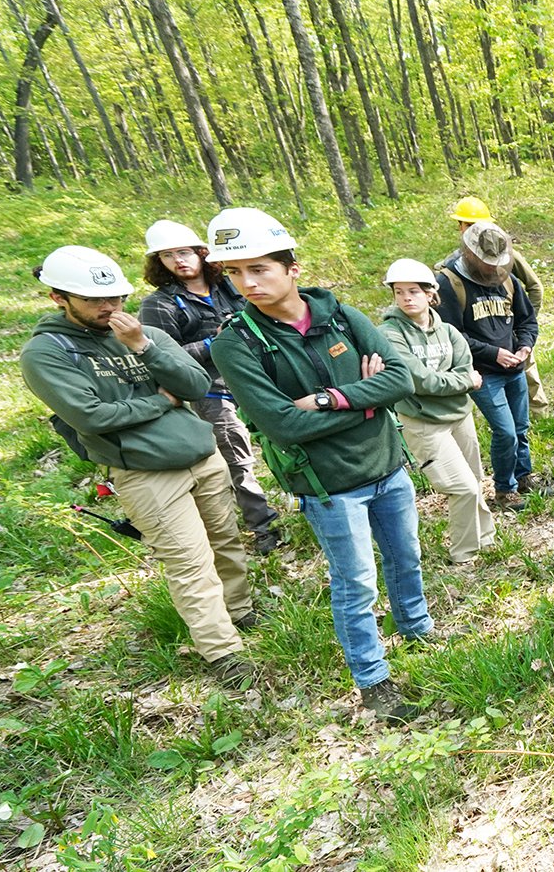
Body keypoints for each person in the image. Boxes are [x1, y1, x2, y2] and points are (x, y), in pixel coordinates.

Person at [207, 209, 433, 722]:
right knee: (356, 582)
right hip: (328, 484)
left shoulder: (341, 315)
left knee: (407, 559)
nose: (248, 283)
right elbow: (283, 424)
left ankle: (418, 631)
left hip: (387, 465)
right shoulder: (236, 343)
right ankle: (373, 680)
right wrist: (366, 399)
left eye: (260, 268)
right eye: (235, 273)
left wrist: (330, 400)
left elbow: (400, 380)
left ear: (292, 267)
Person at [22, 246, 256, 688]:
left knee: (225, 539)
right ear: (58, 298)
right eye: (93, 300)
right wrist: (161, 400)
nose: (109, 308)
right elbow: (90, 416)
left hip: (200, 455)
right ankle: (223, 652)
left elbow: (195, 383)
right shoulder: (47, 353)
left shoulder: (143, 333)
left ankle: (240, 611)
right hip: (144, 471)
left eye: (116, 298)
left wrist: (144, 347)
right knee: (190, 561)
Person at [138, 219, 281, 554]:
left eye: (185, 252)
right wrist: (213, 342)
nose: (179, 261)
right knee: (239, 459)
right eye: (168, 255)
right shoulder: (158, 304)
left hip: (259, 376)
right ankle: (264, 527)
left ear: (201, 253)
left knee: (287, 438)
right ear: (159, 262)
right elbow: (162, 358)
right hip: (211, 390)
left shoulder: (232, 285)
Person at [378, 258, 496, 565]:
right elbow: (417, 379)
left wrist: (458, 381)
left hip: (459, 415)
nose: (406, 298)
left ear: (431, 293)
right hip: (423, 422)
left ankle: (486, 539)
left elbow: (465, 367)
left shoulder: (449, 332)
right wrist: (462, 381)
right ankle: (464, 554)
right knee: (462, 487)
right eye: (399, 292)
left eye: (414, 291)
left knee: (475, 480)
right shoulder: (390, 334)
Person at [436, 222, 537, 510]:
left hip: (514, 367)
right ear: (470, 254)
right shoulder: (449, 283)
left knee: (520, 427)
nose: (492, 268)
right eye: (486, 262)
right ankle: (504, 489)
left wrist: (525, 345)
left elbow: (526, 320)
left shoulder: (508, 281)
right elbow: (451, 335)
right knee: (504, 431)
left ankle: (523, 475)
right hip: (481, 373)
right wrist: (494, 354)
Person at [444, 197, 548, 415]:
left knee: (527, 380)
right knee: (505, 428)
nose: (473, 230)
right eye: (468, 225)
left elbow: (534, 287)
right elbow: (451, 329)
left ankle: (538, 416)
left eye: (478, 224)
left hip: (510, 333)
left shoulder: (505, 254)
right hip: (484, 351)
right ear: (459, 227)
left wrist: (520, 332)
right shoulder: (455, 265)